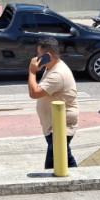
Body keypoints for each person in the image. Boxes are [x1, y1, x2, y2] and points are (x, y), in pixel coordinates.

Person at [27, 37, 78, 169]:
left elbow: (34, 93)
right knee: (65, 161)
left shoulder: (58, 73)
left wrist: (32, 71)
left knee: (53, 165)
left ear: (47, 56)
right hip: (54, 126)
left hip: (61, 127)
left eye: (39, 54)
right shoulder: (51, 68)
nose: (36, 57)